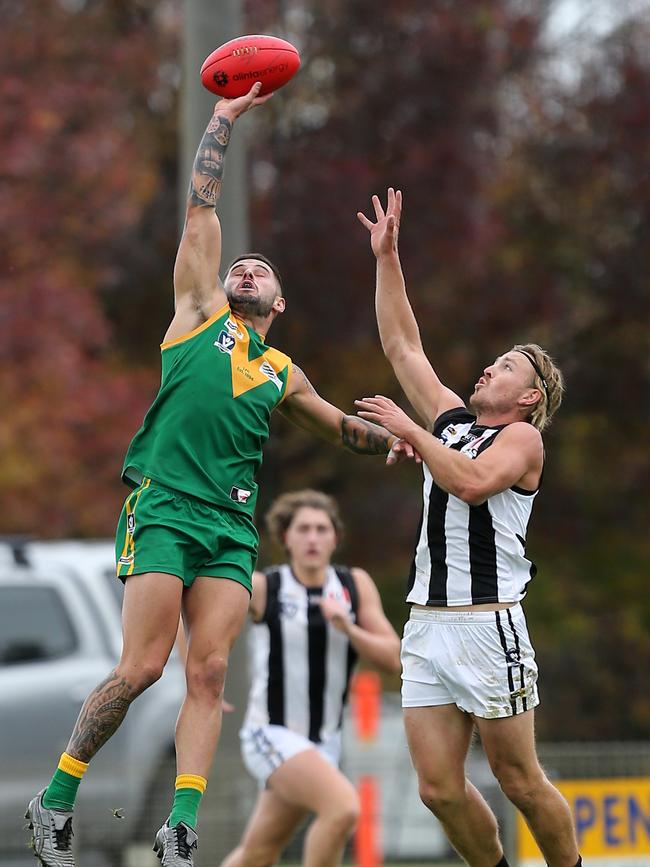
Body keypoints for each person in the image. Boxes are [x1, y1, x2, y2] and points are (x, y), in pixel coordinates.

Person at [24, 87, 416, 867]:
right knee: (142, 666)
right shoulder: (198, 313)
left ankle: (182, 828)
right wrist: (223, 121)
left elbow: (341, 427)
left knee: (207, 670)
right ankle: (58, 798)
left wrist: (401, 439)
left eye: (260, 271)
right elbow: (202, 211)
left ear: (279, 300)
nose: (245, 270)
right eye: (241, 265)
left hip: (230, 527)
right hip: (164, 506)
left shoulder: (282, 372)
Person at [355, 189, 582, 867]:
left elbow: (473, 484)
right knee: (437, 790)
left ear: (530, 395)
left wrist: (408, 431)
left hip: (489, 627)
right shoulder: (453, 423)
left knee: (518, 779)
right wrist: (388, 259)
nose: (489, 366)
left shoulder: (523, 444)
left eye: (507, 365)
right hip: (426, 626)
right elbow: (401, 343)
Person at [220, 489, 401, 867]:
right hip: (270, 733)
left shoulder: (353, 586)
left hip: (323, 742)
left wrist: (347, 626)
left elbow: (395, 659)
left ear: (335, 538)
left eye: (322, 529)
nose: (313, 538)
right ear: (285, 537)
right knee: (343, 809)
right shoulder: (264, 586)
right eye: (303, 529)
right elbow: (203, 609)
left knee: (259, 851)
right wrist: (202, 682)